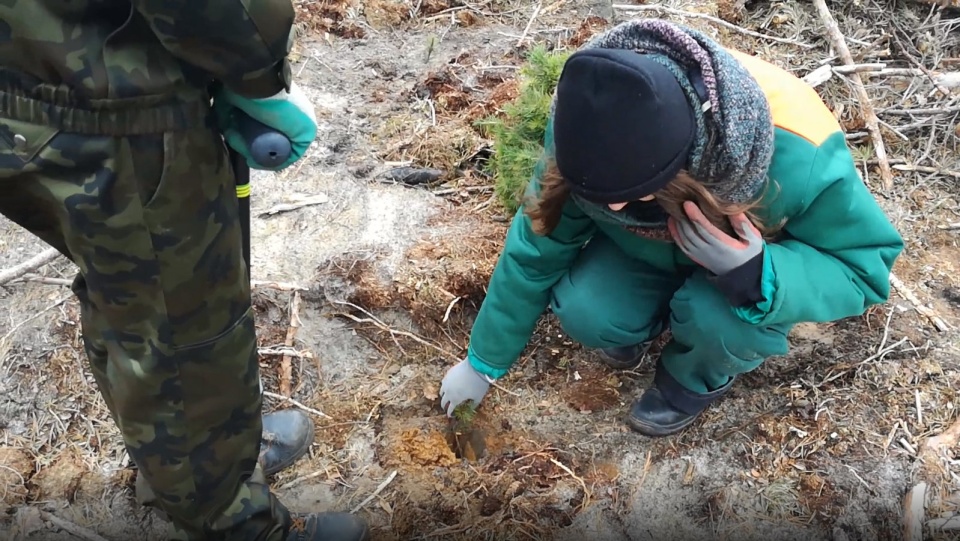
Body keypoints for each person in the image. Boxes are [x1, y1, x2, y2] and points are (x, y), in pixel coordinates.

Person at [0, 2, 368, 540]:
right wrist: (259, 73)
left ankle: (188, 462)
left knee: (132, 297)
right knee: (185, 326)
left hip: (34, 88)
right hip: (113, 108)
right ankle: (228, 515)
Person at [438, 18, 904, 437]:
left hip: (738, 289)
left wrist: (759, 270)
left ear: (686, 160)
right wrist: (482, 363)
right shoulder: (584, 120)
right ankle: (638, 326)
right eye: (602, 194)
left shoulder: (799, 150)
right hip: (643, 256)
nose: (616, 204)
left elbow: (865, 267)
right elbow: (534, 249)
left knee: (718, 322)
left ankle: (688, 381)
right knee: (587, 309)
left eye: (634, 188)